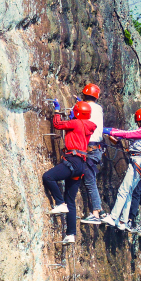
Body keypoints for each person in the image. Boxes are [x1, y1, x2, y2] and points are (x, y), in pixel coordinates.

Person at [43, 100, 96, 244]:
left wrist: (57, 111)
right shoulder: (89, 125)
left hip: (72, 160)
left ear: (77, 113)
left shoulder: (76, 123)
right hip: (81, 165)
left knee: (48, 177)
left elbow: (58, 124)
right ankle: (71, 234)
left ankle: (59, 203)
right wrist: (77, 112)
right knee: (70, 200)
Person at [102, 105, 141, 229]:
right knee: (128, 191)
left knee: (123, 189)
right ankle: (123, 222)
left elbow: (128, 134)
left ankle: (113, 217)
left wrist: (108, 130)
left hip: (138, 162)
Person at [79, 83, 105, 223]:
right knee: (90, 179)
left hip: (89, 148)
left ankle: (96, 212)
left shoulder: (84, 107)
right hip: (96, 148)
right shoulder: (99, 108)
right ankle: (99, 211)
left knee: (90, 181)